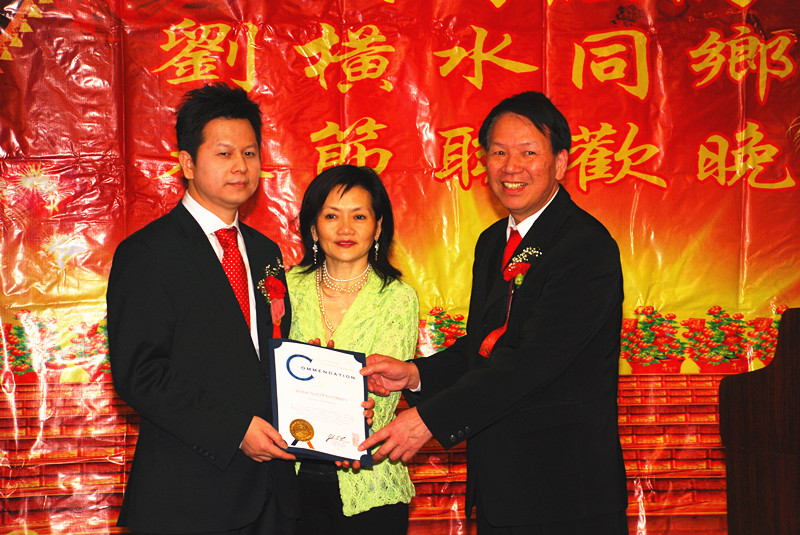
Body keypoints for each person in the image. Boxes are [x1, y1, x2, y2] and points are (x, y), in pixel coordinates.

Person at [360, 91, 629, 534]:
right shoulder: (492, 242)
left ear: (560, 162)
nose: (511, 167)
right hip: (501, 486)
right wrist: (415, 374)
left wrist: (429, 419)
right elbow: (488, 345)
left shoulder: (585, 246)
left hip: (565, 492)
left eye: (528, 153)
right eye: (499, 152)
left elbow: (532, 360)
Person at [107, 83, 298, 534]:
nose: (241, 166)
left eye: (250, 153)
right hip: (189, 498)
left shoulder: (265, 252)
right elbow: (140, 374)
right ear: (188, 163)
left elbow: (272, 357)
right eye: (224, 153)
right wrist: (235, 430)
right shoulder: (147, 253)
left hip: (272, 494)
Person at [285, 164, 418, 535]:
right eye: (332, 216)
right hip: (291, 482)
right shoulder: (287, 288)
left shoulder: (397, 298)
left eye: (359, 216)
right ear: (314, 228)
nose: (345, 229)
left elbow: (383, 399)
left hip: (370, 483)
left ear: (378, 227)